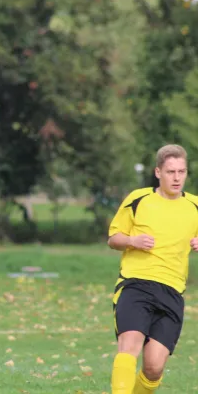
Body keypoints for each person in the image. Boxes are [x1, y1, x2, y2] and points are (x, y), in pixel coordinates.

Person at [108, 144, 198, 394]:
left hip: (172, 292)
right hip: (135, 284)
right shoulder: (139, 199)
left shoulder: (195, 206)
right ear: (158, 172)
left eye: (181, 171)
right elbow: (113, 238)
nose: (177, 178)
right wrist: (131, 241)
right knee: (129, 345)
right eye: (171, 172)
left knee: (154, 367)